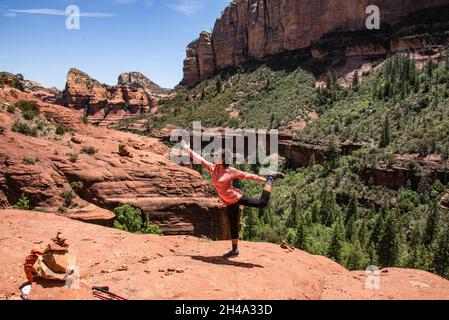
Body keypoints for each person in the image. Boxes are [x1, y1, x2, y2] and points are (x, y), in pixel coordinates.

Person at [180, 140, 284, 258]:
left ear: (223, 159)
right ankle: (235, 251)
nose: (214, 156)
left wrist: (263, 180)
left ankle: (271, 178)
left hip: (236, 197)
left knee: (262, 203)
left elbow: (247, 175)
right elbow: (200, 159)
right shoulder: (212, 168)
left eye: (217, 155)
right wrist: (187, 148)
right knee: (233, 224)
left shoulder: (230, 170)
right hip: (228, 201)